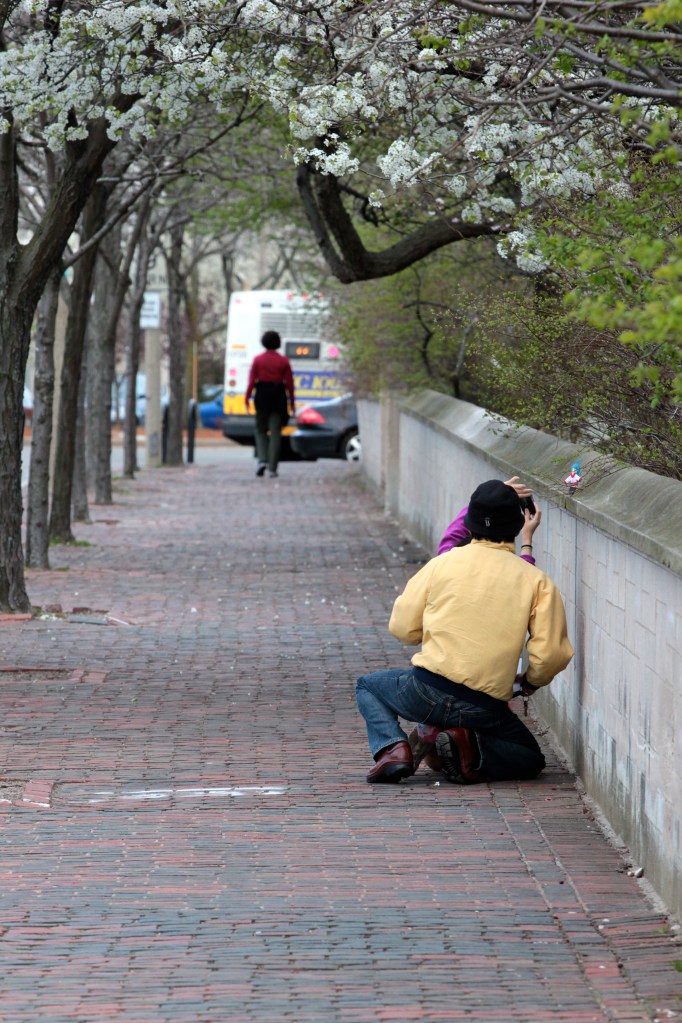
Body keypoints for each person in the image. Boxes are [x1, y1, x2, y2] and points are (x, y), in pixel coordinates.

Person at [355, 479, 573, 784]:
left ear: (469, 524)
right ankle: (469, 746)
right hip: (484, 705)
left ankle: (393, 748)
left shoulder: (441, 564)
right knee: (529, 757)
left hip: (425, 691)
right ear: (516, 526)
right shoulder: (536, 581)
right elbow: (551, 654)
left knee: (368, 686)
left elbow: (402, 628)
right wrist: (530, 682)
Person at [408, 476, 542, 770]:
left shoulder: (448, 563)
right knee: (522, 752)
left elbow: (451, 539)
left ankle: (432, 737)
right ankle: (468, 749)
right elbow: (522, 577)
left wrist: (476, 504)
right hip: (489, 686)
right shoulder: (521, 577)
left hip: (442, 672)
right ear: (517, 526)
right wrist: (528, 540)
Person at [244, 330, 296, 478]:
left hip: (262, 395)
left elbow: (252, 381)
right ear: (278, 343)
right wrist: (292, 402)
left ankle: (262, 460)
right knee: (275, 432)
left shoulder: (258, 360)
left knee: (260, 429)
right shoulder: (284, 361)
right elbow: (290, 384)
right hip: (278, 396)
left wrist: (247, 398)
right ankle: (272, 468)